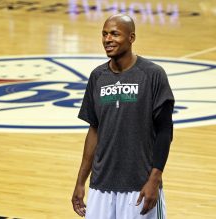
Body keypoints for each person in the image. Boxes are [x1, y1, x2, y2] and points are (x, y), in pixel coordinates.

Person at [71, 14, 174, 219]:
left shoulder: (153, 74)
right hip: (101, 185)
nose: (108, 39)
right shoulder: (98, 76)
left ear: (131, 37)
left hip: (139, 185)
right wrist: (80, 182)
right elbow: (94, 130)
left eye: (115, 34)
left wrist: (154, 179)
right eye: (104, 34)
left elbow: (165, 132)